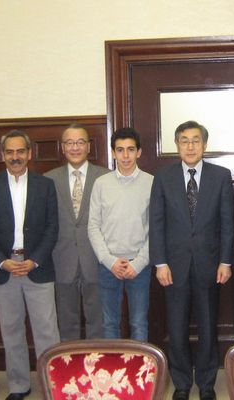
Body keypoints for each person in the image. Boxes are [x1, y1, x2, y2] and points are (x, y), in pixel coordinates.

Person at [149, 120, 234, 400]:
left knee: (208, 327)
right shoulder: (163, 177)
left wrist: (225, 261)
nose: (190, 146)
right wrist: (160, 262)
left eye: (195, 140)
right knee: (176, 328)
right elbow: (157, 222)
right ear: (177, 146)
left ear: (205, 145)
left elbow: (227, 223)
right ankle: (183, 383)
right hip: (173, 267)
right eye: (184, 140)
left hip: (210, 265)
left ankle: (207, 384)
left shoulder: (221, 176)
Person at [0, 130, 60, 400]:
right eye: (9, 152)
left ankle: (50, 384)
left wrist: (34, 260)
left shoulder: (45, 185)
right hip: (4, 267)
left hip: (37, 266)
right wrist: (2, 261)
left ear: (29, 153)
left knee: (47, 330)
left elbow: (52, 227)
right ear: (2, 155)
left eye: (20, 151)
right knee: (11, 330)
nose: (15, 157)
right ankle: (19, 385)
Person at [44, 124, 109, 341]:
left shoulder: (105, 178)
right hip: (61, 259)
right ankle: (69, 370)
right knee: (66, 321)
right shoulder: (47, 180)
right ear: (63, 148)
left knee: (97, 320)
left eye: (80, 142)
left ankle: (96, 369)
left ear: (88, 146)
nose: (75, 147)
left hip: (96, 259)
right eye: (70, 143)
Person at [88, 127, 153, 340]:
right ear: (113, 153)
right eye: (120, 150)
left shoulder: (152, 183)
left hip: (140, 266)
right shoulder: (101, 184)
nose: (125, 156)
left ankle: (141, 373)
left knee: (139, 324)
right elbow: (93, 226)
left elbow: (156, 229)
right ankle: (113, 371)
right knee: (109, 324)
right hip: (109, 265)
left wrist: (140, 262)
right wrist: (109, 260)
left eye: (130, 150)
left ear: (139, 152)